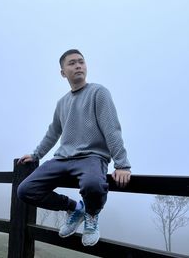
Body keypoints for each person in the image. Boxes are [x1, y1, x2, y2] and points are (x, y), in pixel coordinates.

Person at [17, 49, 131, 246]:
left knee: (93, 185)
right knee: (25, 190)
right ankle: (75, 208)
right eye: (72, 63)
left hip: (92, 157)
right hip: (62, 159)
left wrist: (122, 164)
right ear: (63, 72)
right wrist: (36, 155)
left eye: (81, 62)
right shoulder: (62, 103)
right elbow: (53, 132)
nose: (78, 65)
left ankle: (91, 215)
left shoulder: (98, 92)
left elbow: (111, 128)